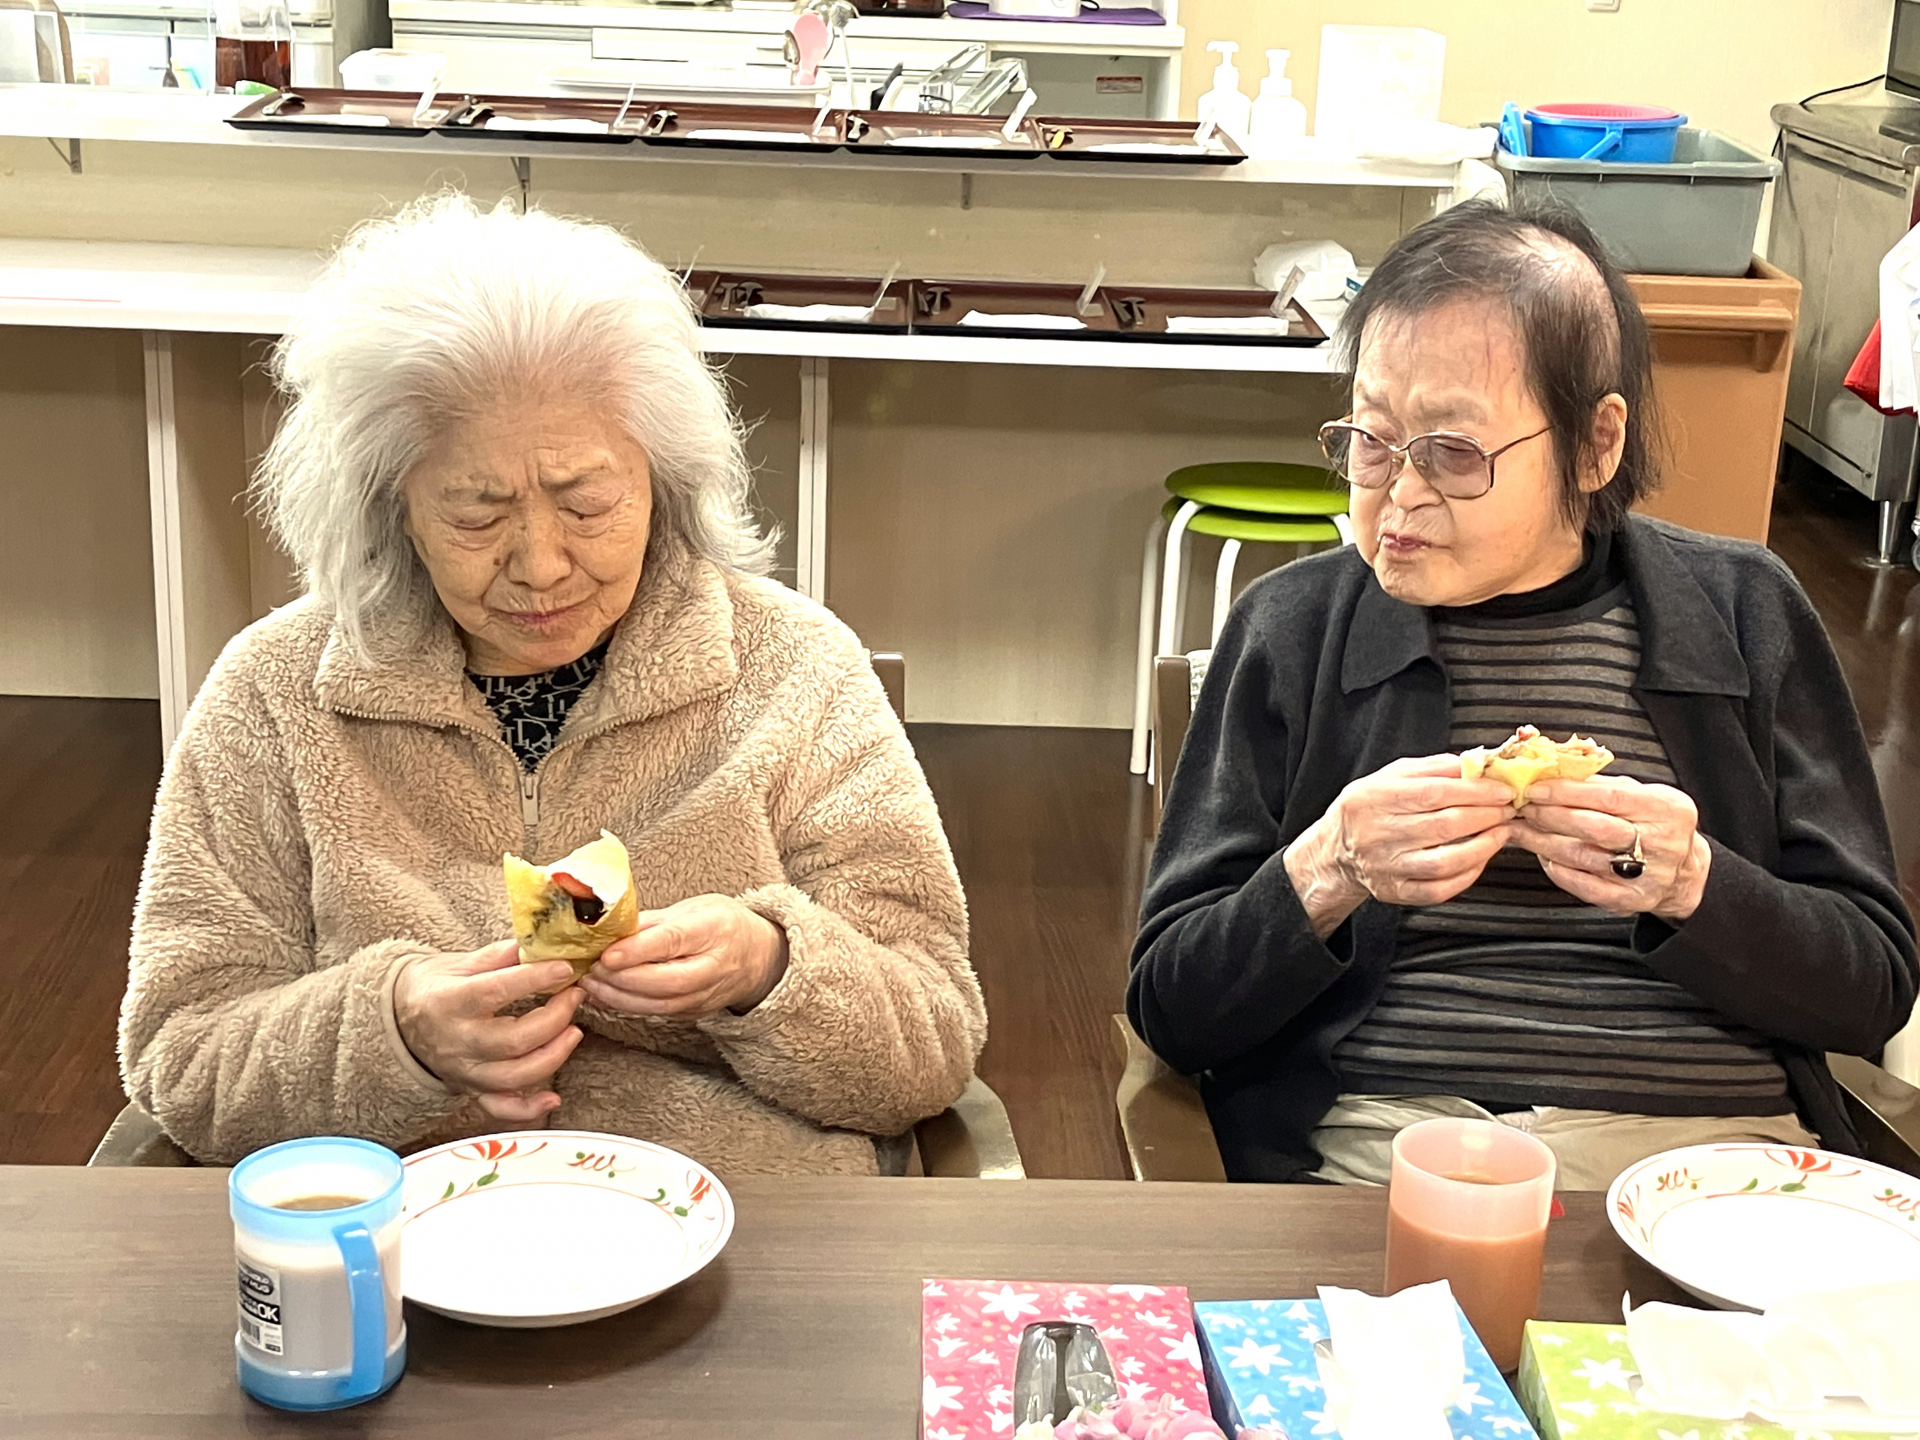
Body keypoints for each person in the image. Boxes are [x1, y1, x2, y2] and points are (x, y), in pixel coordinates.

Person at [119, 195, 986, 1174]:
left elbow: (934, 1036)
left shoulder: (793, 669)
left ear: (663, 479)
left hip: (742, 1232)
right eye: (475, 515)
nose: (540, 565)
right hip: (406, 1237)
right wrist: (392, 1032)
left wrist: (769, 966)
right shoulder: (277, 694)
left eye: (587, 503)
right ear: (390, 505)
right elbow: (183, 1058)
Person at [1129, 200, 1917, 1187]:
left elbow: (1871, 989)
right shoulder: (1292, 631)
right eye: (1370, 440)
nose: (1397, 495)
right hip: (1382, 1154)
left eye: (1453, 452)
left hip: (1708, 1166)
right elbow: (1172, 1006)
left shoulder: (1743, 614)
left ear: (1594, 446)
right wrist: (1330, 868)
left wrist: (1693, 885)